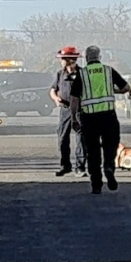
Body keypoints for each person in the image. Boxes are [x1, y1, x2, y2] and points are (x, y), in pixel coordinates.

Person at [68, 45, 131, 194]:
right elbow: (126, 87)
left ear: (86, 58)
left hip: (89, 119)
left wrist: (73, 118)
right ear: (99, 57)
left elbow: (74, 99)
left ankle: (96, 184)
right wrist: (112, 89)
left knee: (93, 152)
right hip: (108, 117)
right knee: (110, 146)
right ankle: (109, 167)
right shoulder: (108, 71)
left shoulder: (82, 75)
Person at [48, 47, 87, 177]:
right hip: (65, 110)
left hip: (80, 111)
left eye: (62, 59)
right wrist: (56, 98)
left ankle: (80, 168)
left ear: (71, 60)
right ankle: (65, 166)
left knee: (81, 139)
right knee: (62, 138)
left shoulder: (83, 74)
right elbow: (53, 90)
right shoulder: (60, 74)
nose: (61, 62)